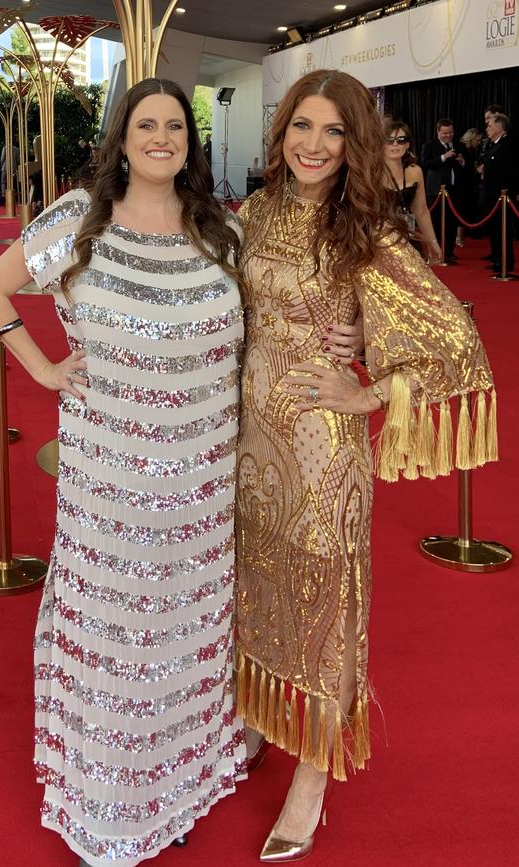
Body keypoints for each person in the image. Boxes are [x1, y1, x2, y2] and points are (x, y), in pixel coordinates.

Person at [0, 77, 247, 867]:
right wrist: (46, 371)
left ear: (189, 142)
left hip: (203, 486)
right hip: (111, 488)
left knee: (186, 640)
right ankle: (109, 800)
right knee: (118, 644)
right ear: (121, 136)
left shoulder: (217, 228)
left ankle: (179, 785)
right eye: (145, 124)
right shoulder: (77, 220)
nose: (161, 138)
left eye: (175, 126)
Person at [233, 69, 496, 863]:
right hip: (250, 446)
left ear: (357, 144)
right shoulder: (254, 212)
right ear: (281, 133)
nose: (313, 145)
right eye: (300, 127)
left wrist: (370, 387)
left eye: (333, 131)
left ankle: (312, 772)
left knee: (324, 601)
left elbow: (456, 340)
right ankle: (256, 715)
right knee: (257, 584)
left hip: (320, 455)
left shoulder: (366, 232)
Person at [382, 119, 441, 263]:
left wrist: (433, 242)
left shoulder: (415, 171)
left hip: (408, 238)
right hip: (379, 242)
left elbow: (421, 211)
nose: (395, 144)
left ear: (407, 144)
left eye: (401, 140)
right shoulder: (370, 172)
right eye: (389, 140)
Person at [421, 118, 466, 263]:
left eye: (451, 133)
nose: (448, 136)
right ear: (438, 132)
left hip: (454, 190)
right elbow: (425, 163)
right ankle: (438, 251)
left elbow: (467, 165)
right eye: (445, 133)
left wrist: (462, 162)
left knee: (452, 222)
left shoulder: (459, 145)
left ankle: (450, 252)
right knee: (437, 221)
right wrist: (443, 157)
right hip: (436, 190)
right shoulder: (430, 145)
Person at [480, 112, 517, 274]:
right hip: (491, 195)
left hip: (502, 196)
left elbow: (512, 170)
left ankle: (504, 263)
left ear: (499, 127)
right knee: (495, 230)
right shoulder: (494, 144)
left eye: (490, 125)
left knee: (502, 230)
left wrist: (510, 191)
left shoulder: (508, 144)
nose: (487, 128)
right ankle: (497, 259)